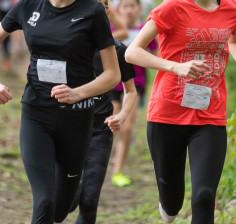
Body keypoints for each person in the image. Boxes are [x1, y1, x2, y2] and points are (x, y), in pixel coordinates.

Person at [0, 0, 121, 223]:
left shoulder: (92, 10)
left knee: (59, 210)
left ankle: (73, 187)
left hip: (77, 118)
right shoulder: (28, 6)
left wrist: (77, 93)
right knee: (44, 201)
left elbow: (112, 75)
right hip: (37, 113)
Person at [125, 0, 236, 223]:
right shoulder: (171, 7)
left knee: (204, 196)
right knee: (172, 204)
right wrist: (175, 67)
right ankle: (167, 206)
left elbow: (234, 39)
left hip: (210, 115)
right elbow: (132, 53)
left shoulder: (232, 9)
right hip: (167, 115)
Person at [71, 0, 137, 223]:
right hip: (66, 129)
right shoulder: (67, 45)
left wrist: (121, 115)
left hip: (100, 129)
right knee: (64, 202)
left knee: (89, 203)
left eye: (100, 6)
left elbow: (131, 92)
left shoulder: (118, 50)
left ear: (108, 12)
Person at [111, 0, 157, 187]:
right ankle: (94, 163)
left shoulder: (145, 30)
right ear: (118, 9)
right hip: (112, 83)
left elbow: (155, 55)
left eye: (132, 6)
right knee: (110, 124)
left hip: (136, 83)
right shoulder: (112, 29)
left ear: (139, 8)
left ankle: (118, 171)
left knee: (127, 128)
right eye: (125, 6)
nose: (129, 10)